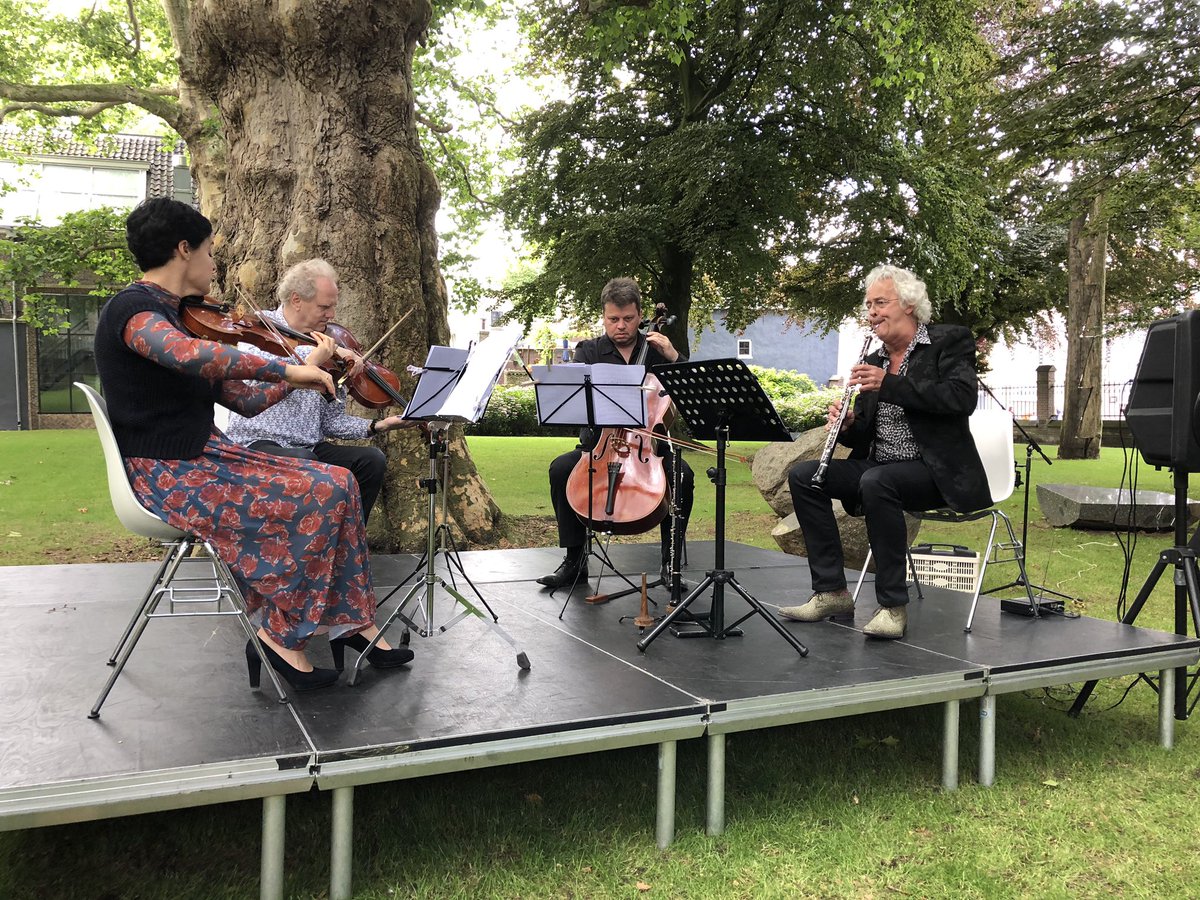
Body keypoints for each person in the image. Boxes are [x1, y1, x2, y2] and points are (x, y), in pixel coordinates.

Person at [93, 197, 413, 691]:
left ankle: (350, 620)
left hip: (201, 458)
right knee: (324, 489)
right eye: (209, 252)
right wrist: (289, 367)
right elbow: (189, 355)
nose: (214, 264)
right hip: (168, 471)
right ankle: (280, 636)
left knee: (343, 480)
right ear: (184, 249)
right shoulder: (134, 310)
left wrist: (301, 375)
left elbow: (244, 401)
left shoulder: (180, 315)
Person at [779, 265, 990, 640]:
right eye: (868, 305)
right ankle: (831, 592)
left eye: (880, 303)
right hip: (881, 467)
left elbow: (961, 398)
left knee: (878, 481)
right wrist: (848, 425)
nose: (872, 312)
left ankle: (892, 607)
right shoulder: (875, 359)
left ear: (908, 304)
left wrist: (890, 384)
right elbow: (867, 431)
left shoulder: (948, 341)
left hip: (935, 470)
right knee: (805, 476)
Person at [224, 259, 412, 522]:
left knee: (371, 460)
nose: (332, 314)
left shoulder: (327, 346)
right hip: (257, 443)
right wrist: (312, 359)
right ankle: (305, 542)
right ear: (297, 300)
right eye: (324, 307)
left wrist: (377, 426)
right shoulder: (260, 328)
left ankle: (347, 540)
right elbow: (256, 371)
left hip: (309, 446)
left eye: (333, 306)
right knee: (305, 460)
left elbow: (331, 422)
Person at [537, 277, 695, 588]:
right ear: (604, 317)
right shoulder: (589, 351)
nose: (621, 326)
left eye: (628, 318)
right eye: (613, 319)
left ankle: (671, 565)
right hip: (598, 446)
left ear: (640, 316)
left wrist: (674, 356)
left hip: (648, 448)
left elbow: (691, 392)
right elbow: (576, 403)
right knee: (560, 469)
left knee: (682, 476)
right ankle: (575, 561)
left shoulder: (657, 351)